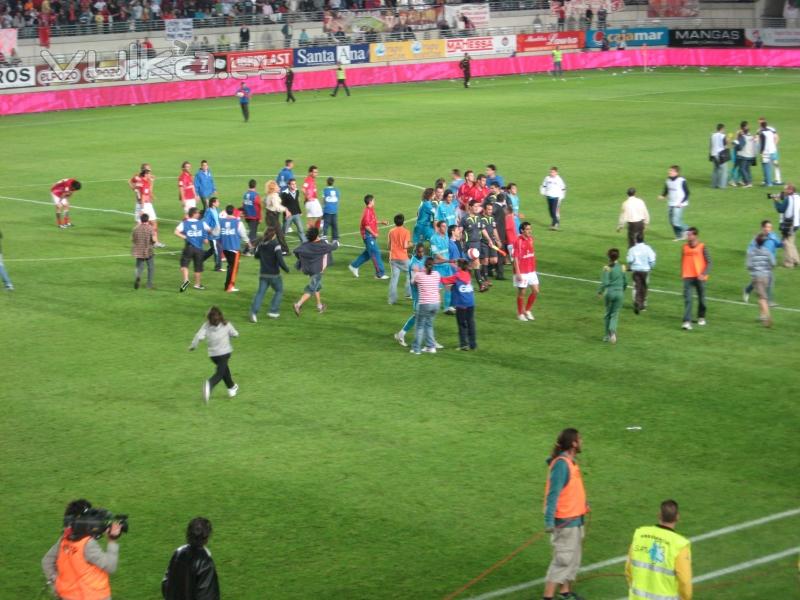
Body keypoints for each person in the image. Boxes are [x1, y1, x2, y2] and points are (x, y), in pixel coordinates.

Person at [42, 499, 122, 600]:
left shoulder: (64, 540)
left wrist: (57, 584)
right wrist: (112, 541)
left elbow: (46, 562)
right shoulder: (87, 544)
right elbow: (110, 566)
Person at [542, 428, 589, 600]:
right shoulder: (562, 465)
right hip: (565, 523)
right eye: (580, 439)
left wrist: (583, 502)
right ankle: (547, 597)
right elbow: (553, 494)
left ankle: (565, 592)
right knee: (562, 561)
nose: (582, 442)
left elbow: (571, 489)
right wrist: (548, 521)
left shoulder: (570, 462)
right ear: (573, 443)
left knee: (573, 558)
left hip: (576, 520)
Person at [625, 500, 692, 600]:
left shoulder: (640, 534)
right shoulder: (679, 544)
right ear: (677, 517)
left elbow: (628, 569)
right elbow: (685, 580)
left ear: (659, 515)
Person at [162, 517, 220, 600]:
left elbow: (165, 584)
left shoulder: (178, 553)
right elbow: (208, 595)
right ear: (206, 539)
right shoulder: (205, 562)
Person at [190, 306, 239, 402]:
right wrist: (233, 334)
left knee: (224, 369)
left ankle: (231, 388)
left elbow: (198, 336)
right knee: (220, 373)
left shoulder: (206, 325)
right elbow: (235, 334)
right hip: (225, 353)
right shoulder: (226, 324)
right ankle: (209, 384)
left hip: (213, 356)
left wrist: (193, 346)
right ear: (221, 316)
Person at [292, 227, 339, 315]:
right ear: (316, 236)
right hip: (317, 270)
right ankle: (298, 304)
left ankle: (319, 305)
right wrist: (337, 242)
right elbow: (333, 247)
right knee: (311, 289)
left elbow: (295, 251)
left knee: (317, 286)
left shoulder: (305, 245)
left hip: (308, 269)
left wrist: (303, 260)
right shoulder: (321, 245)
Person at [250, 226, 289, 322]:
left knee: (260, 293)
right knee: (279, 290)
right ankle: (273, 311)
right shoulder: (276, 245)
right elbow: (280, 260)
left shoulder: (262, 244)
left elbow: (256, 256)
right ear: (273, 235)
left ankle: (253, 313)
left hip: (263, 274)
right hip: (274, 275)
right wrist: (286, 269)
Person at [349, 195, 389, 280]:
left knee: (368, 254)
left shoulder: (370, 210)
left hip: (370, 236)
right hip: (368, 236)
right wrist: (374, 234)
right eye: (374, 200)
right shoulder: (367, 212)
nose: (374, 201)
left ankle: (354, 266)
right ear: (370, 201)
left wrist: (381, 222)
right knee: (375, 252)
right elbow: (367, 226)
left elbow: (372, 221)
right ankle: (380, 274)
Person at [441, 258, 476, 350]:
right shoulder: (468, 274)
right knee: (471, 323)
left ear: (459, 267)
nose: (455, 266)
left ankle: (464, 345)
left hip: (461, 304)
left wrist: (436, 275)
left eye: (456, 265)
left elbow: (444, 280)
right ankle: (473, 344)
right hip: (471, 303)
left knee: (462, 324)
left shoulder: (457, 276)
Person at [743, 220, 782, 304]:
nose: (768, 229)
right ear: (762, 228)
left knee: (761, 280)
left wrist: (785, 241)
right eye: (767, 227)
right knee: (767, 280)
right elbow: (750, 249)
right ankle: (769, 301)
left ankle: (747, 290)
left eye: (770, 227)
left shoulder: (773, 236)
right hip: (761, 263)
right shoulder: (758, 238)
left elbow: (778, 244)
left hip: (769, 262)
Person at [410, 257, 442, 355]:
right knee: (429, 324)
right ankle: (431, 347)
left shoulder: (419, 275)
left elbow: (413, 282)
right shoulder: (437, 274)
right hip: (436, 303)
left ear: (424, 265)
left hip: (425, 304)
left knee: (419, 326)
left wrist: (415, 272)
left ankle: (416, 349)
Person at [175, 207, 212, 292]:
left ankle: (186, 280)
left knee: (184, 265)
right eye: (198, 213)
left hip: (189, 247)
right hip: (199, 249)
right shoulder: (202, 223)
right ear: (194, 214)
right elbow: (209, 230)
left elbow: (176, 232)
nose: (199, 214)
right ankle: (197, 284)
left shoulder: (184, 223)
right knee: (198, 267)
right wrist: (206, 237)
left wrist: (184, 237)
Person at [681, 227, 711, 330]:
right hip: (687, 277)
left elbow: (709, 262)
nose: (688, 236)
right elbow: (683, 260)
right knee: (688, 300)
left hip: (700, 277)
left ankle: (701, 317)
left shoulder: (702, 247)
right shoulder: (684, 247)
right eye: (687, 234)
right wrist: (683, 273)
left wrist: (704, 273)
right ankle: (687, 321)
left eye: (690, 234)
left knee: (702, 300)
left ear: (695, 235)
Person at [219, 204, 251, 292]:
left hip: (225, 248)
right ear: (233, 211)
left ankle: (227, 285)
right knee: (233, 268)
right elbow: (243, 235)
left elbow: (217, 233)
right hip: (234, 249)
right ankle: (229, 286)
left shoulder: (221, 222)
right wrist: (248, 243)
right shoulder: (238, 223)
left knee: (230, 266)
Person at [597, 248, 627, 343]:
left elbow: (605, 283)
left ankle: (607, 336)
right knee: (614, 314)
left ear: (608, 256)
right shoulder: (622, 267)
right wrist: (622, 290)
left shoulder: (607, 268)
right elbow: (625, 282)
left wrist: (600, 292)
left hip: (610, 293)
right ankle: (612, 331)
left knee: (607, 315)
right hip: (619, 293)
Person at [746, 233, 776, 327]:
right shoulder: (767, 251)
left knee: (762, 299)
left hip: (757, 277)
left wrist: (753, 270)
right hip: (766, 277)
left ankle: (768, 317)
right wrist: (767, 268)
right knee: (761, 297)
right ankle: (762, 316)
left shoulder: (752, 252)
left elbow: (749, 266)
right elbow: (773, 263)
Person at [513, 222, 539, 322]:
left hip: (531, 270)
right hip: (522, 271)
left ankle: (527, 310)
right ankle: (520, 313)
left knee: (536, 290)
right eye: (527, 229)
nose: (530, 231)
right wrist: (518, 273)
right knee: (522, 293)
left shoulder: (531, 239)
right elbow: (515, 257)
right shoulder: (518, 241)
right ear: (522, 230)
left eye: (530, 229)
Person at [626, 233, 656, 315]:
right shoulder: (648, 248)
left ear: (636, 239)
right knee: (644, 287)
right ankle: (643, 305)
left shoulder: (632, 249)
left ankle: (636, 302)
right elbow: (652, 260)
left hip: (635, 270)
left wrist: (631, 265)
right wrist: (651, 266)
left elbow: (629, 260)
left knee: (636, 287)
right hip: (645, 270)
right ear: (643, 239)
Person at [658, 165, 690, 241]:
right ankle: (679, 236)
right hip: (670, 203)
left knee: (676, 221)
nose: (669, 172)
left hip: (679, 204)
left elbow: (687, 193)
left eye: (671, 171)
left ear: (677, 172)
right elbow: (666, 191)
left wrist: (681, 203)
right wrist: (662, 196)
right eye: (669, 170)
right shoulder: (668, 181)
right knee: (671, 222)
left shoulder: (682, 180)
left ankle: (688, 230)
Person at [773, 184, 800, 268]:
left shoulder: (788, 199)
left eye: (786, 190)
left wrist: (776, 201)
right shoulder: (798, 197)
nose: (784, 191)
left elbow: (780, 209)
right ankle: (796, 260)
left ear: (790, 190)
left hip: (788, 224)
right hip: (796, 223)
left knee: (786, 243)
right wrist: (781, 197)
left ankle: (789, 263)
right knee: (790, 242)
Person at [387, 213, 412, 305]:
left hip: (393, 258)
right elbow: (405, 245)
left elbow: (389, 246)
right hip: (403, 258)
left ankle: (391, 300)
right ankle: (409, 293)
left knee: (394, 279)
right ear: (403, 221)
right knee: (411, 273)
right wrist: (411, 244)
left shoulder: (391, 231)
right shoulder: (406, 231)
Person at [430, 220, 454, 314]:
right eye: (443, 226)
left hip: (446, 266)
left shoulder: (446, 237)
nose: (445, 228)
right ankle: (435, 307)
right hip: (438, 267)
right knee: (438, 289)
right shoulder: (434, 239)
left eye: (446, 226)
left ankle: (447, 308)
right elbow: (436, 254)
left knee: (449, 287)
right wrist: (447, 260)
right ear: (439, 227)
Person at [264, 179, 290, 252]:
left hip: (270, 216)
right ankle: (285, 250)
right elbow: (277, 207)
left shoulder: (271, 195)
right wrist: (285, 209)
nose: (279, 187)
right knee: (279, 233)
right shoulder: (274, 196)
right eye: (277, 186)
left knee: (269, 234)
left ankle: (260, 246)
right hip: (272, 216)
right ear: (273, 188)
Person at [132, 213, 156, 290]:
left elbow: (133, 240)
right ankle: (149, 285)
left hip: (138, 251)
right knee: (151, 268)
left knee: (139, 267)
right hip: (148, 251)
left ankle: (138, 276)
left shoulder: (136, 228)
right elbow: (154, 240)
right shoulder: (150, 228)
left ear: (141, 219)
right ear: (148, 219)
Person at [281, 178, 306, 244]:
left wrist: (299, 211)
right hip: (288, 215)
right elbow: (282, 205)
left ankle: (304, 243)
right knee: (284, 231)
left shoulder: (297, 191)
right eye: (292, 184)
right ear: (288, 185)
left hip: (296, 214)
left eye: (295, 184)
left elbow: (296, 202)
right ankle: (280, 243)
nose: (294, 185)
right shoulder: (284, 194)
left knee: (301, 229)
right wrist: (285, 214)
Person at [202, 197, 223, 272]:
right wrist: (206, 235)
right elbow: (204, 223)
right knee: (217, 249)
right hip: (212, 234)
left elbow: (217, 221)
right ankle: (218, 267)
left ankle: (200, 259)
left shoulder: (216, 210)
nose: (219, 203)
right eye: (217, 202)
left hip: (217, 233)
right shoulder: (209, 211)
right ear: (213, 203)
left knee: (213, 250)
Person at [758, 118, 781, 186]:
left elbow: (777, 138)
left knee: (772, 165)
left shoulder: (768, 130)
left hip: (769, 151)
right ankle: (767, 180)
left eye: (760, 123)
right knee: (769, 165)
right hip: (772, 150)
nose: (759, 124)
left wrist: (773, 145)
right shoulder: (767, 130)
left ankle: (776, 180)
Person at [732, 121, 756, 188]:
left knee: (742, 169)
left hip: (744, 155)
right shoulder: (751, 136)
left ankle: (747, 183)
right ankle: (750, 182)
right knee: (747, 169)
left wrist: (734, 143)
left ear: (741, 128)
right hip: (751, 155)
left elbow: (740, 146)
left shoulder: (742, 136)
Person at [241, 179, 262, 252]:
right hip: (254, 217)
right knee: (252, 234)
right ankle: (246, 250)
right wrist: (260, 218)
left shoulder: (245, 194)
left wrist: (243, 213)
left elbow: (243, 204)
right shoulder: (256, 195)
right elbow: (259, 207)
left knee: (253, 233)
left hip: (247, 216)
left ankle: (253, 249)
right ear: (255, 185)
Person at [303, 165, 322, 229]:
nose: (316, 174)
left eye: (317, 172)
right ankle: (312, 232)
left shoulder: (312, 180)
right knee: (312, 218)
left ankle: (313, 231)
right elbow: (303, 189)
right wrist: (308, 198)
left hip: (314, 201)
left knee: (319, 216)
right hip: (310, 202)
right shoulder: (308, 179)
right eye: (315, 172)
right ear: (310, 173)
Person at [321, 176, 340, 242]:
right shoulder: (336, 190)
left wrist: (323, 208)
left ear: (327, 182)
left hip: (327, 210)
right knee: (334, 225)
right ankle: (335, 239)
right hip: (334, 210)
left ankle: (324, 237)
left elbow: (323, 200)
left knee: (326, 224)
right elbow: (337, 199)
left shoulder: (325, 190)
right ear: (333, 183)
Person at [709, 123, 728, 189]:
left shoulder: (712, 135)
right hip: (721, 154)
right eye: (724, 129)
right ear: (722, 129)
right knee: (724, 170)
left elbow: (711, 146)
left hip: (713, 154)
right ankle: (722, 186)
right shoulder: (723, 136)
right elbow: (725, 146)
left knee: (715, 170)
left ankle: (714, 185)